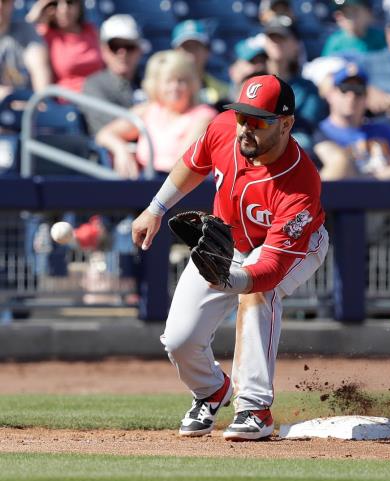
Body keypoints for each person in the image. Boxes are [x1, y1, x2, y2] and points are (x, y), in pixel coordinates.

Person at [130, 74, 329, 441]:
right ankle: (210, 390)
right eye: (242, 116)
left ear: (285, 124)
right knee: (178, 339)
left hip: (295, 248)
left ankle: (255, 408)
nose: (245, 127)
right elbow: (194, 162)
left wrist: (235, 280)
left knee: (257, 293)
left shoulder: (300, 182)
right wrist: (155, 208)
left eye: (258, 121)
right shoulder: (224, 129)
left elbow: (270, 269)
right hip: (228, 243)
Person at [96, 50, 216, 179]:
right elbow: (104, 134)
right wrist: (121, 150)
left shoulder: (204, 116)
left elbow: (183, 166)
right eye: (168, 81)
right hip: (142, 183)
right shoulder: (148, 111)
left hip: (177, 188)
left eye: (181, 80)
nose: (175, 87)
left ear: (192, 84)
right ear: (156, 84)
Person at [314, 63, 390, 180]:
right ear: (330, 94)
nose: (352, 96)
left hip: (382, 195)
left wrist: (367, 180)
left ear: (366, 96)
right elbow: (335, 170)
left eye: (358, 90)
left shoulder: (384, 130)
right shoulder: (319, 133)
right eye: (344, 88)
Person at [262, 16, 327, 138]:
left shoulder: (308, 89)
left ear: (296, 44)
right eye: (272, 37)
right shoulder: (252, 81)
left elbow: (307, 125)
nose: (277, 42)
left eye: (282, 38)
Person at [81, 14, 143, 136]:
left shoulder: (149, 80)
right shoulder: (94, 85)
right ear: (103, 50)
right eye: (115, 46)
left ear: (139, 50)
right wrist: (148, 111)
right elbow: (111, 128)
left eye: (129, 46)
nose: (122, 53)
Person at [26, 0, 103, 93]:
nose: (63, 9)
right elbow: (22, 32)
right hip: (67, 101)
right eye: (55, 4)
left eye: (69, 2)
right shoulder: (45, 34)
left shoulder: (92, 31)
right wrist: (40, 6)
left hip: (99, 96)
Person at [0, 0, 51, 101]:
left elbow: (40, 78)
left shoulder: (26, 31)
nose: (0, 6)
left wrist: (39, 103)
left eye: (5, 1)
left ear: (12, 3)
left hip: (27, 109)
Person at [170, 19, 229, 106]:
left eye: (196, 47)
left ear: (207, 52)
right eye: (186, 47)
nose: (191, 54)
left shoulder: (222, 92)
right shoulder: (163, 89)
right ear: (175, 52)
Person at [322, 0, 386, 57]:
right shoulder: (334, 43)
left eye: (354, 11)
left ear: (369, 13)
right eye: (345, 13)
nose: (350, 18)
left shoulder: (381, 38)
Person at [227, 36, 268, 103]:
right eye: (252, 62)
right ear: (233, 70)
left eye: (263, 61)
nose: (260, 67)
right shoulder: (219, 109)